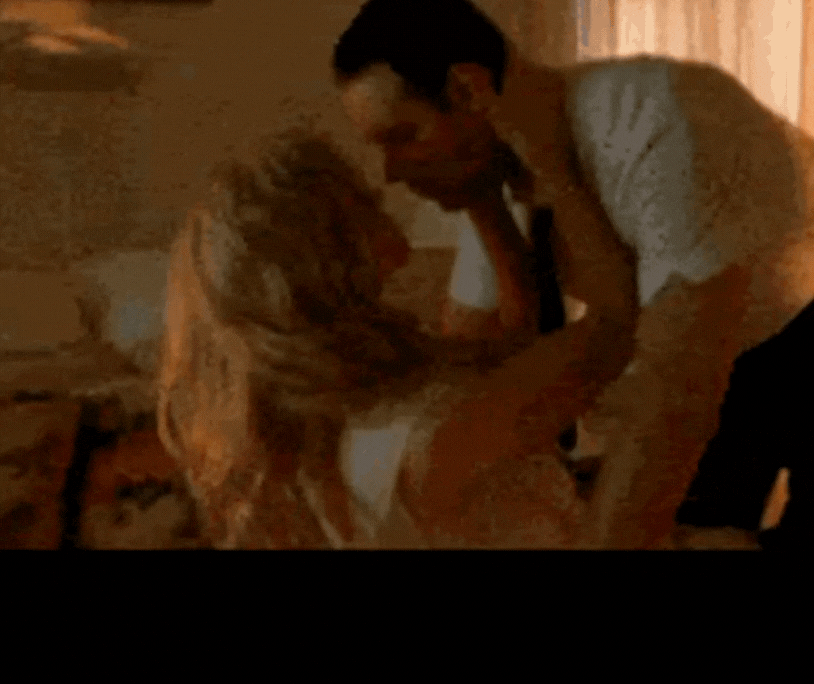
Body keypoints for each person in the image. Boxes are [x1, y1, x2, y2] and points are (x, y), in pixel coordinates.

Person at [332, 0, 814, 550]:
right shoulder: (493, 176)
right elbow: (479, 375)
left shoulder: (651, 120)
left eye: (401, 137)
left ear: (467, 90)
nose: (391, 172)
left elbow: (671, 392)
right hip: (734, 344)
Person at [155, 129, 594, 549]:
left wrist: (485, 206)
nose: (387, 182)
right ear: (333, 249)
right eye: (365, 201)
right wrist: (555, 166)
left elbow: (503, 350)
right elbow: (608, 341)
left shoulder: (324, 432)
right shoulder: (434, 428)